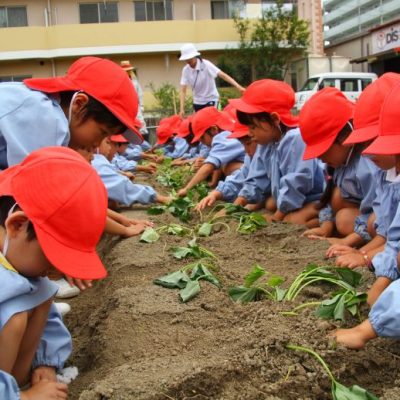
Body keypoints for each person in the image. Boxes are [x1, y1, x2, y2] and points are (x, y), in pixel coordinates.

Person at [0, 146, 109, 399]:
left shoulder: (17, 258)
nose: (55, 271)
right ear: (17, 224)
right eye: (51, 260)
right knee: (14, 316)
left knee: (42, 294)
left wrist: (45, 361)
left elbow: (48, 319)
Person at [334, 82, 400, 349]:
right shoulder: (389, 174)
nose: (368, 153)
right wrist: (383, 279)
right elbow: (394, 238)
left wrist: (368, 329)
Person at [0, 56, 143, 169]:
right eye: (103, 132)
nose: (97, 144)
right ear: (79, 104)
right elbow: (33, 187)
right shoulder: (44, 114)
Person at [323, 73, 400, 269]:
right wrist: (362, 253)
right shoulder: (386, 171)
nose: (367, 150)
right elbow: (387, 234)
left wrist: (365, 257)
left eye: (373, 140)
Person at [230, 79, 324, 226]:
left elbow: (297, 182)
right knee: (271, 204)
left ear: (274, 119)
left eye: (253, 127)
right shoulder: (267, 143)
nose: (250, 133)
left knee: (290, 221)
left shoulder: (296, 138)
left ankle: (322, 218)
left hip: (313, 199)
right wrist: (236, 205)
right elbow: (256, 178)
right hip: (293, 201)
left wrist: (276, 217)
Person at [299, 87, 384, 246]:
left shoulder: (368, 163)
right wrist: (326, 226)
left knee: (344, 221)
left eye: (323, 150)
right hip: (361, 213)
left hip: (378, 217)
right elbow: (329, 198)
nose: (320, 158)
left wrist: (346, 241)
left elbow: (380, 211)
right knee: (337, 199)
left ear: (344, 136)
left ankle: (369, 241)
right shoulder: (338, 162)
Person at [177, 107, 245, 197]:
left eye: (202, 137)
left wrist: (187, 189)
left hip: (249, 177)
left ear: (213, 129)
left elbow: (209, 166)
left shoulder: (223, 137)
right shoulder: (227, 134)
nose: (201, 142)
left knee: (228, 167)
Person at [195, 121, 260, 211]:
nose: (246, 150)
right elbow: (239, 178)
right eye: (243, 144)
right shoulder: (250, 157)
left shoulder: (221, 138)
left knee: (270, 204)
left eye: (249, 143)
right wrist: (216, 193)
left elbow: (254, 185)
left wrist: (186, 189)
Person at [92, 137, 170, 208]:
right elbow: (122, 186)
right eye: (107, 142)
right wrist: (159, 197)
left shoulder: (96, 160)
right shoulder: (95, 161)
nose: (109, 148)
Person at [178, 43, 245, 115]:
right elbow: (183, 90)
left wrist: (238, 87)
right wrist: (182, 109)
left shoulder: (206, 64)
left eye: (190, 58)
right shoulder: (185, 70)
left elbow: (223, 75)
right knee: (201, 125)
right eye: (186, 59)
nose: (188, 61)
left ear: (195, 55)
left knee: (213, 123)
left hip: (212, 100)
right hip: (197, 102)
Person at [120, 60, 148, 138]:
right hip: (126, 107)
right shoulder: (120, 82)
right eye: (126, 71)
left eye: (129, 71)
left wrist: (141, 106)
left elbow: (140, 94)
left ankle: (143, 141)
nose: (128, 72)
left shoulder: (135, 82)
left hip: (136, 106)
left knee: (141, 123)